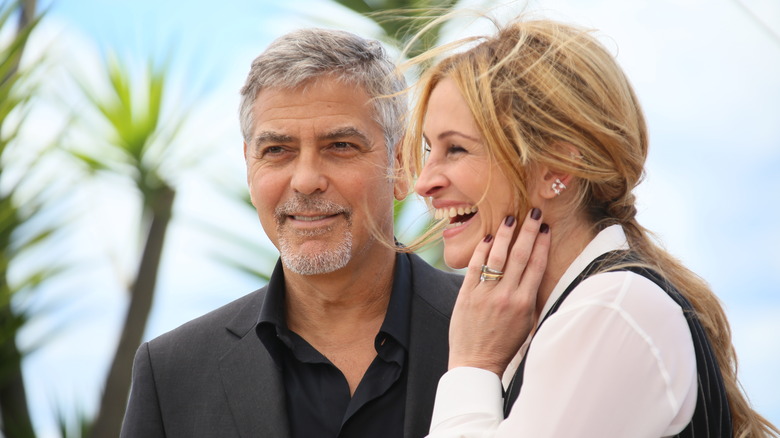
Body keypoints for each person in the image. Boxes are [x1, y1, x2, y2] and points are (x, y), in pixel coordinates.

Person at [400, 17, 780, 437]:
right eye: (429, 149)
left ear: (556, 168)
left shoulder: (610, 309)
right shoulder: (591, 308)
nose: (424, 182)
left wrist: (473, 361)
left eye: (456, 148)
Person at [120, 28, 462, 438]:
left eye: (340, 145)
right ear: (249, 167)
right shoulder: (172, 374)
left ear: (402, 164)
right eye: (277, 151)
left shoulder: (504, 331)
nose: (305, 180)